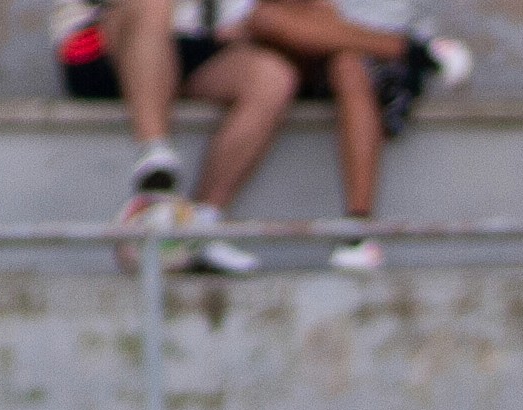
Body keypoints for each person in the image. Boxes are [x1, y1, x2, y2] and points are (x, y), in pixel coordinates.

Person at [60, 0, 469, 277]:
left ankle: (198, 224)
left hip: (194, 43)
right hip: (105, 42)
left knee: (273, 76)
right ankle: (155, 160)